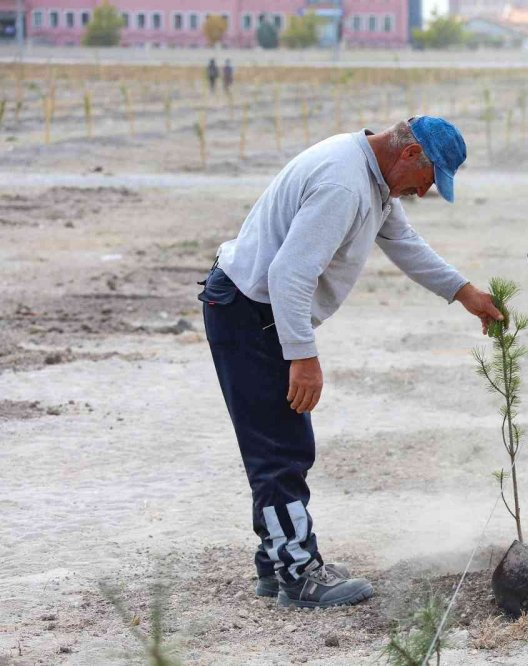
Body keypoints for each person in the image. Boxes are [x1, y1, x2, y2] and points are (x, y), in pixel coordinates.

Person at [199, 117, 502, 609]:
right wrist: (302, 357)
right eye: (426, 182)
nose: (422, 194)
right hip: (252, 313)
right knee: (280, 448)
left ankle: (278, 562)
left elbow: (403, 242)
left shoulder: (370, 177)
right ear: (409, 155)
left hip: (256, 310)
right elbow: (289, 273)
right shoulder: (344, 182)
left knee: (281, 442)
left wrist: (463, 292)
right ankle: (297, 573)